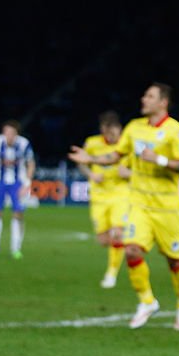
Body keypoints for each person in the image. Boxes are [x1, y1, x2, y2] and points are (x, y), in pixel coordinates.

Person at [68, 83, 179, 331]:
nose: (143, 99)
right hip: (139, 204)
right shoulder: (134, 128)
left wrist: (158, 159)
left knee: (175, 261)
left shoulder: (176, 132)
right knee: (132, 251)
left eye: (150, 96)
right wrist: (91, 159)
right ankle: (147, 301)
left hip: (168, 209)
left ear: (163, 102)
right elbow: (116, 155)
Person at [77, 111, 132, 288]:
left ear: (119, 129)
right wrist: (91, 174)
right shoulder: (92, 143)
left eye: (115, 133)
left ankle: (111, 274)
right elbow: (81, 162)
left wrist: (129, 174)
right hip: (98, 196)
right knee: (103, 240)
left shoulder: (127, 145)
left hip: (121, 195)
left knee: (117, 234)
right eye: (108, 133)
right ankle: (119, 252)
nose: (111, 137)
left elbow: (140, 169)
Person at [0, 120, 35, 259]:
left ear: (16, 134)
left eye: (11, 133)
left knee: (18, 213)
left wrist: (27, 184)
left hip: (18, 182)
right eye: (6, 132)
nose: (8, 136)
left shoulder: (24, 144)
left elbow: (31, 163)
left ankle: (16, 249)